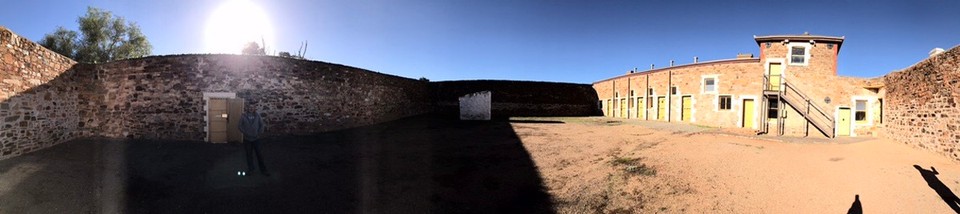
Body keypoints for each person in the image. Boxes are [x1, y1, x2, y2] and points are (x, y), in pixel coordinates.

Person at [239, 104, 269, 176]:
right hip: (247, 139)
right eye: (249, 107)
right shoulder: (243, 116)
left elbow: (261, 125)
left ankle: (263, 170)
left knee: (259, 155)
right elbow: (239, 126)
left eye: (252, 107)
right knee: (249, 155)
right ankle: (251, 170)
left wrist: (259, 133)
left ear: (254, 108)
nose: (251, 108)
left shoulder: (257, 115)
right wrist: (245, 132)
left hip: (256, 139)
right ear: (247, 108)